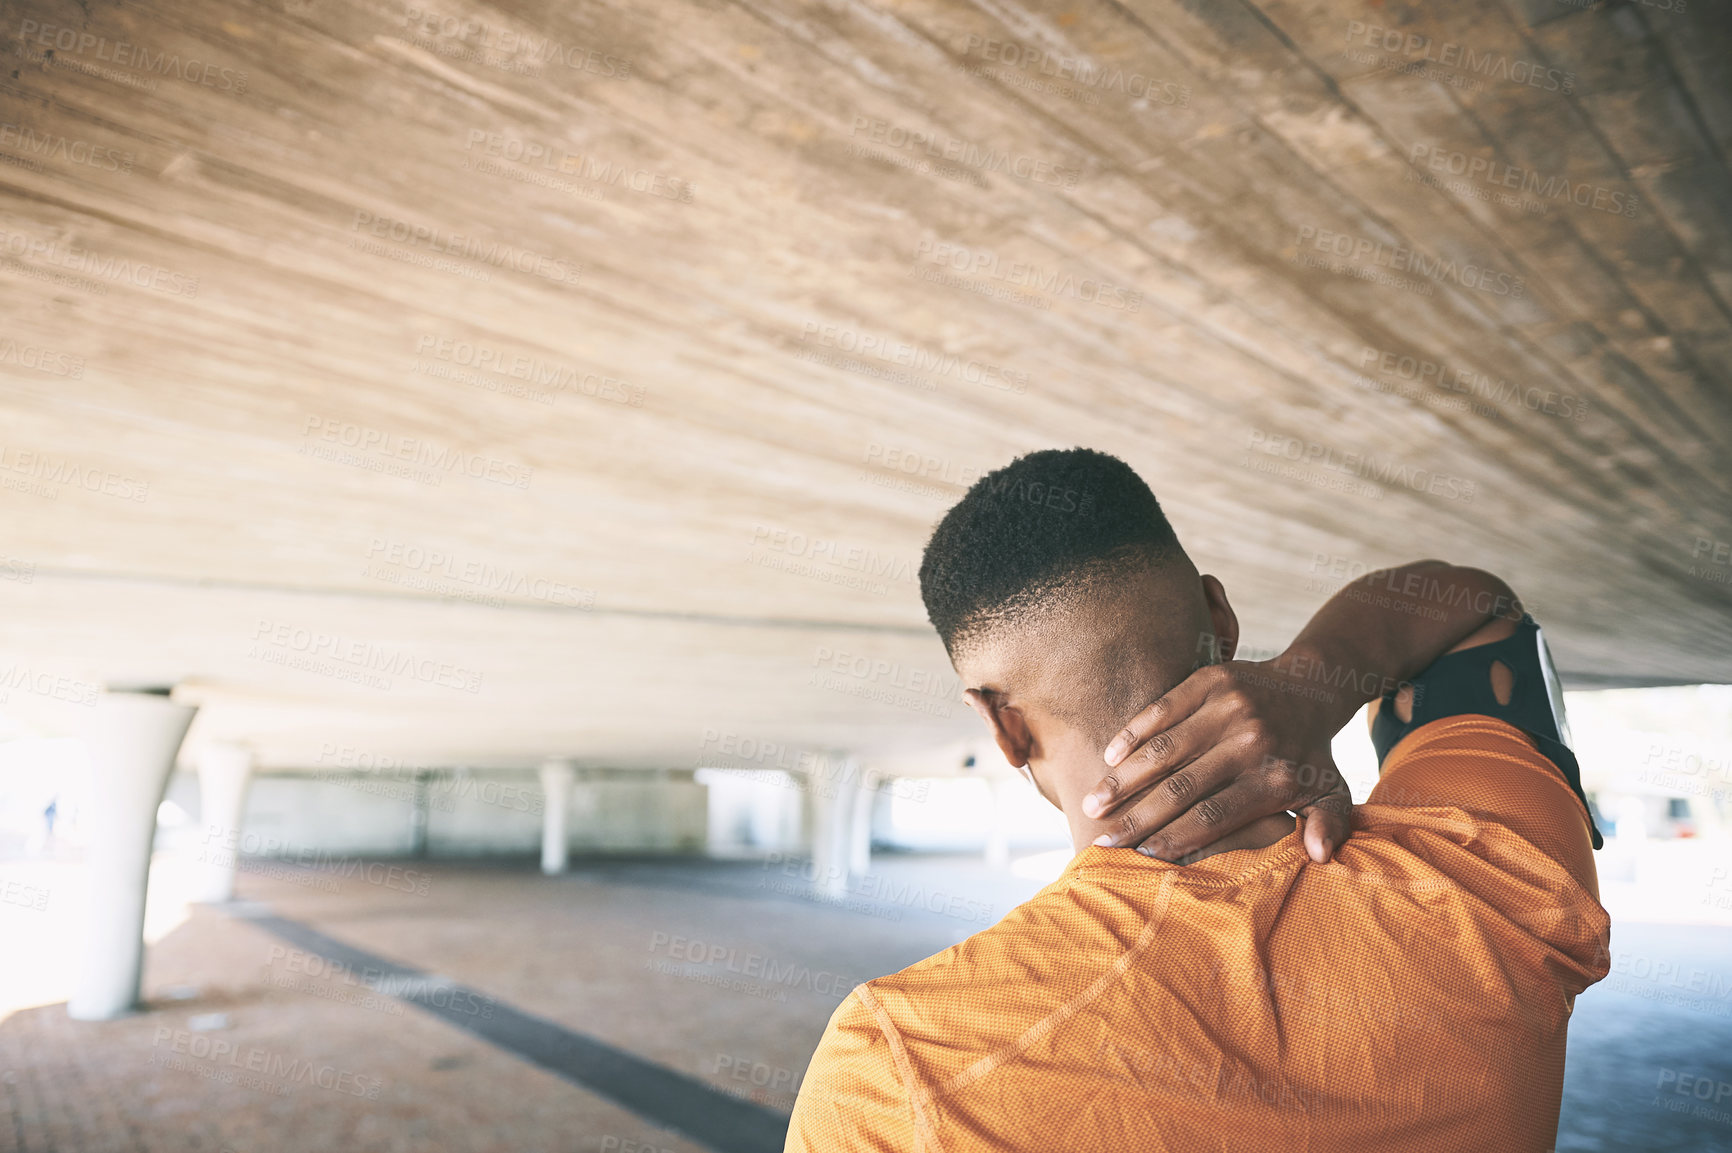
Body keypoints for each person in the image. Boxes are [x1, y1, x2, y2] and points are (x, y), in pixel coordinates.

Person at [785, 448, 1607, 1152]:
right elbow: (1478, 609)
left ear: (1002, 724)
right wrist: (1308, 683)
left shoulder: (901, 1072)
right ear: (1221, 615)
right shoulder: (1487, 880)